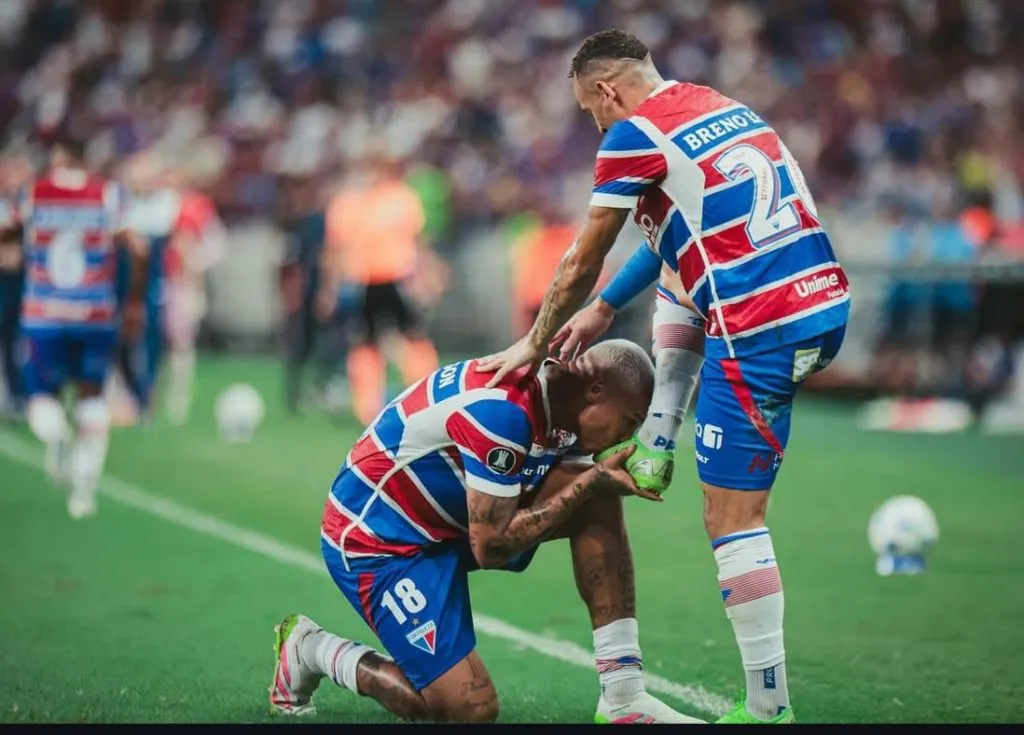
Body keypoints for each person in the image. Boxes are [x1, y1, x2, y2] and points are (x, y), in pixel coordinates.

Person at [476, 30, 852, 724]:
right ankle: (657, 443)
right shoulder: (719, 108)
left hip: (760, 326)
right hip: (823, 301)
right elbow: (674, 233)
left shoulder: (631, 134)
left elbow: (585, 251)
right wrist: (606, 308)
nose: (596, 124)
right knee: (681, 270)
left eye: (591, 109)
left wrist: (534, 341)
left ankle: (767, 707)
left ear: (608, 91)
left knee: (732, 519)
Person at [269, 340, 703, 724]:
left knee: (599, 497)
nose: (628, 435)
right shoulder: (503, 412)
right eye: (630, 419)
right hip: (379, 539)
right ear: (595, 391)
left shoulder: (560, 398)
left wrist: (594, 483)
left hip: (450, 519)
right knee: (468, 709)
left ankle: (624, 696)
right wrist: (590, 480)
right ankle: (310, 649)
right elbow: (492, 547)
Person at [0, 134, 148, 518]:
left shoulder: (35, 194)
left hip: (44, 314)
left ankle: (57, 436)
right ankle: (83, 494)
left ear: (60, 159)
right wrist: (133, 301)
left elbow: (8, 230)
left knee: (41, 397)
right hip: (94, 314)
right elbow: (138, 248)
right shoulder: (108, 195)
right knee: (92, 399)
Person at [320, 148, 442, 426]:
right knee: (365, 344)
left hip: (398, 278)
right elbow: (335, 249)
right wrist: (329, 289)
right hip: (362, 281)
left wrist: (428, 274)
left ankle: (426, 399)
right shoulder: (347, 202)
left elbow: (418, 240)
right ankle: (367, 409)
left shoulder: (401, 197)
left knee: (413, 337)